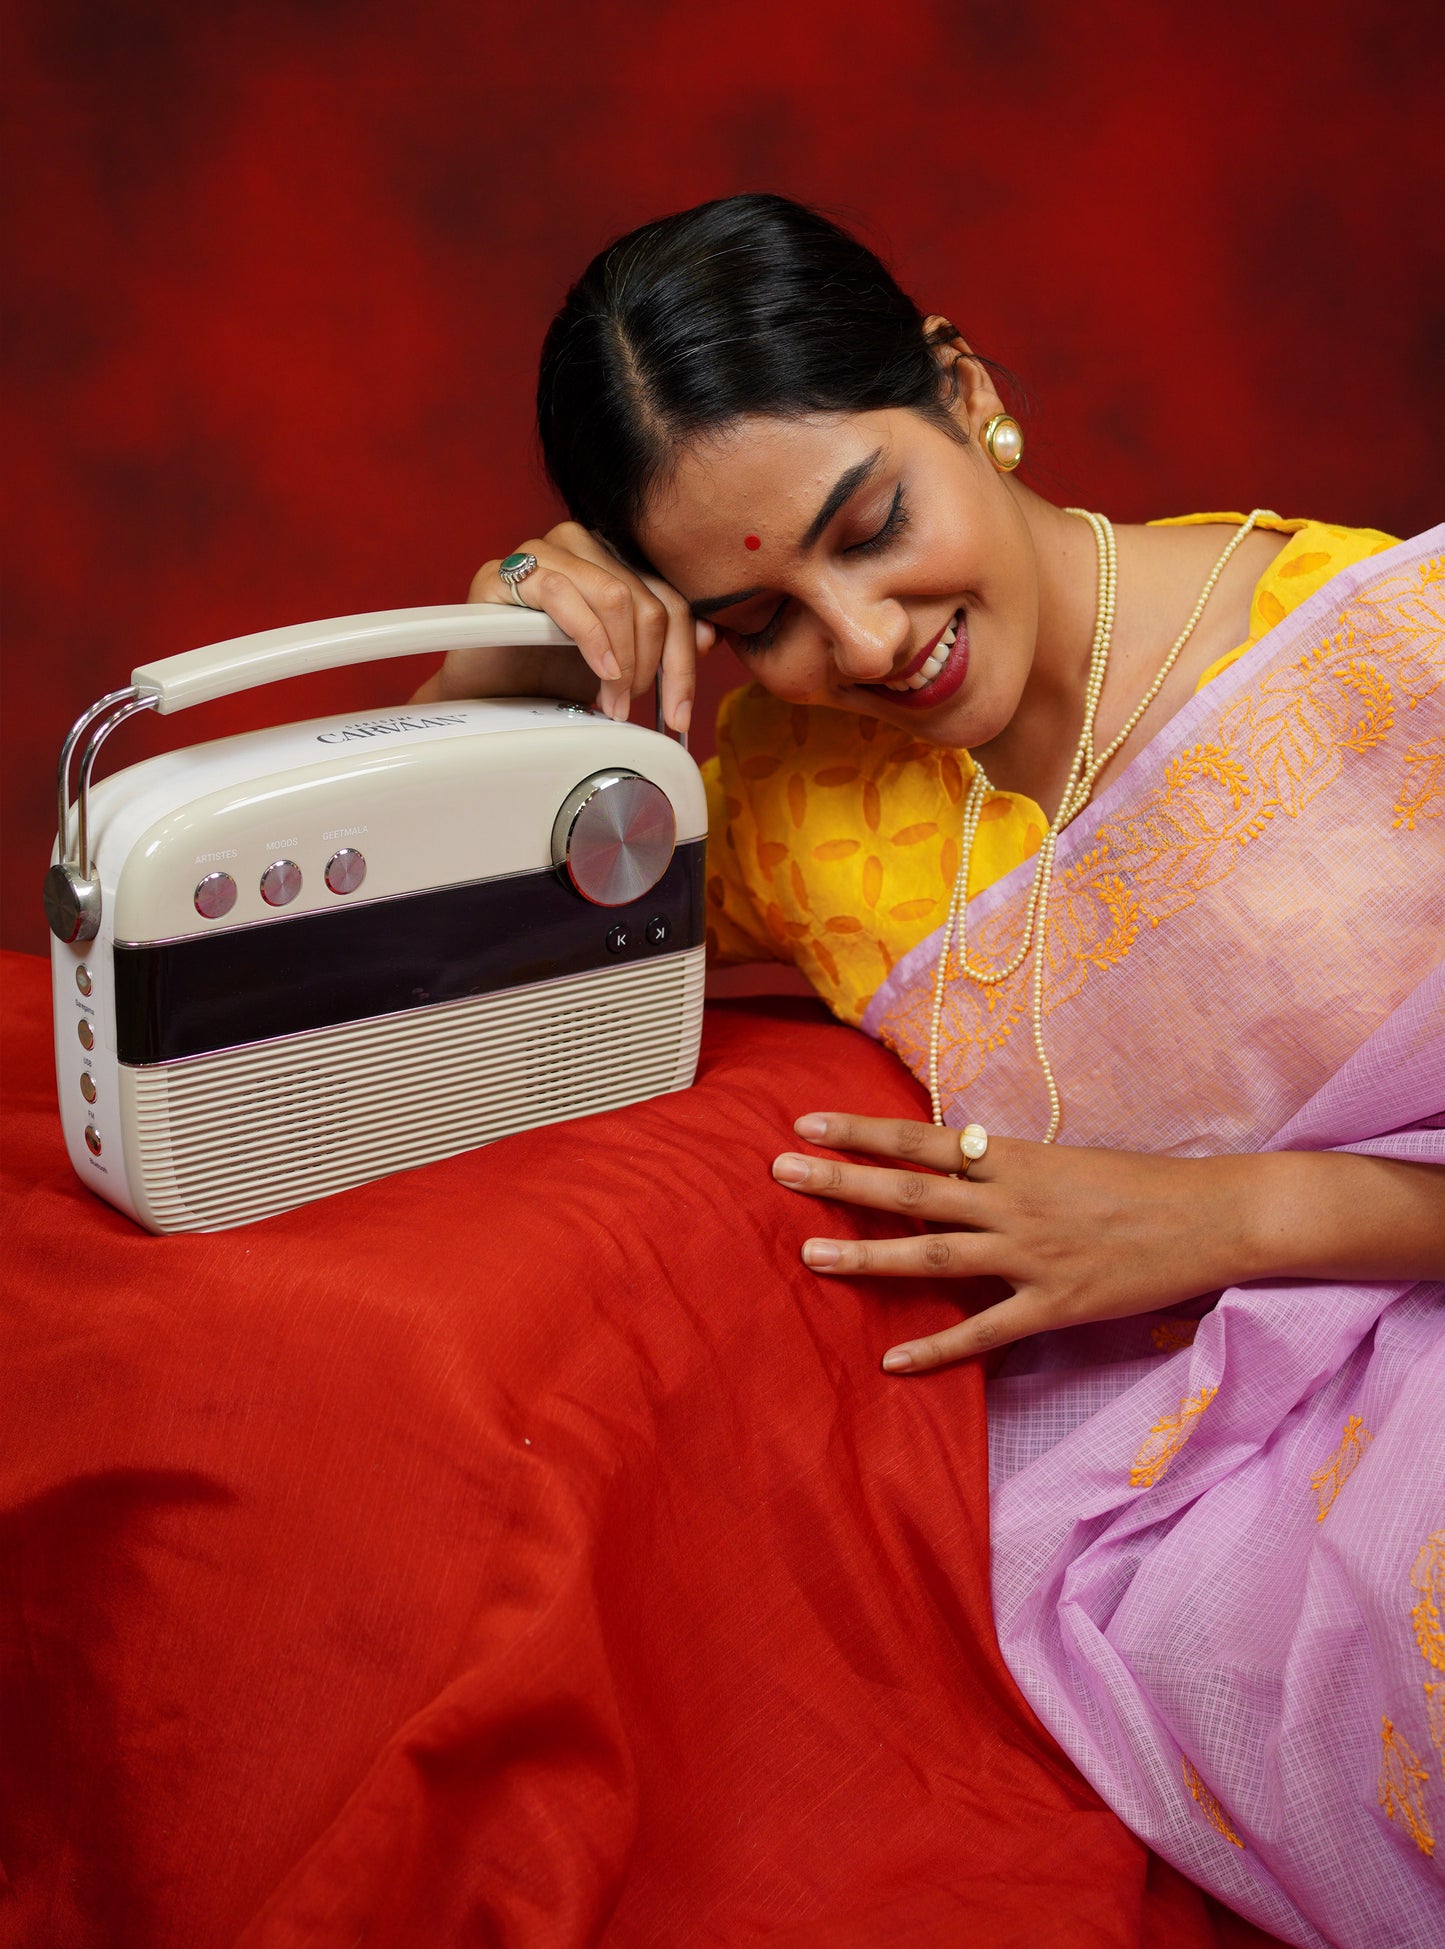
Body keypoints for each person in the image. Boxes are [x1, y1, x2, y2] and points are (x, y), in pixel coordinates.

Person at [415, 194, 1444, 1945]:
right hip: (1170, 1507)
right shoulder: (797, 799)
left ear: (964, 390)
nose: (868, 641)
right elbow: (423, 972)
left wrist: (1224, 1215)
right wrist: (512, 641)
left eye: (870, 524)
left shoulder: (1382, 648)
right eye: (759, 617)